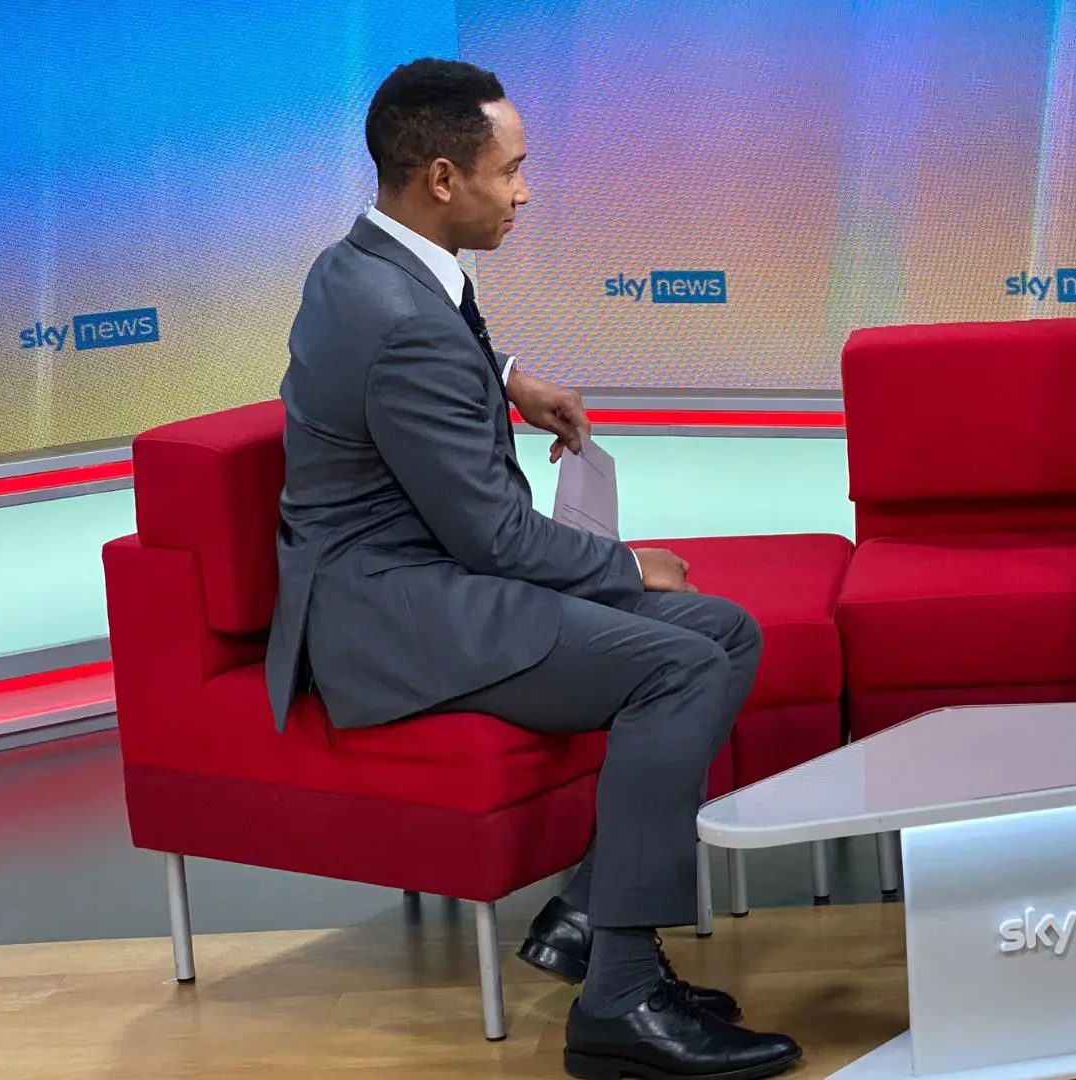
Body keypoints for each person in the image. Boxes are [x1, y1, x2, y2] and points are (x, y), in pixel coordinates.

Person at [266, 58, 802, 1080]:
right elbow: (497, 541)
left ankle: (586, 917)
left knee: (725, 630)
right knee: (680, 662)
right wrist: (628, 565)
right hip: (397, 613)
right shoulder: (401, 320)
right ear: (441, 178)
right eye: (509, 170)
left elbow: (426, 351)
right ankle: (621, 1000)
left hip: (415, 576)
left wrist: (507, 377)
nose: (525, 191)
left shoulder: (364, 261)